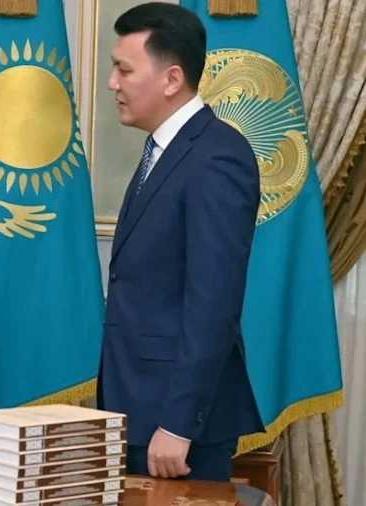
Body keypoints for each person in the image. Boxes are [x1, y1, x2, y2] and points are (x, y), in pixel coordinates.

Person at [97, 2, 265, 482]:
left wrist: (178, 423)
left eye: (125, 69)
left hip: (174, 426)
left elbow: (213, 303)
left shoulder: (217, 157)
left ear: (172, 79)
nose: (112, 83)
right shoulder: (162, 148)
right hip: (136, 406)